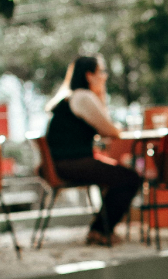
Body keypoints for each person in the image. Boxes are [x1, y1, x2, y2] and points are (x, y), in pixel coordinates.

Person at [44, 56, 141, 246]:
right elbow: (109, 131)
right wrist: (101, 96)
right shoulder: (83, 97)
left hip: (61, 162)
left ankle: (101, 228)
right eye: (102, 71)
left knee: (117, 174)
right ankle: (100, 231)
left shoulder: (70, 96)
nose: (105, 76)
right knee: (130, 178)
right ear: (89, 75)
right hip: (71, 163)